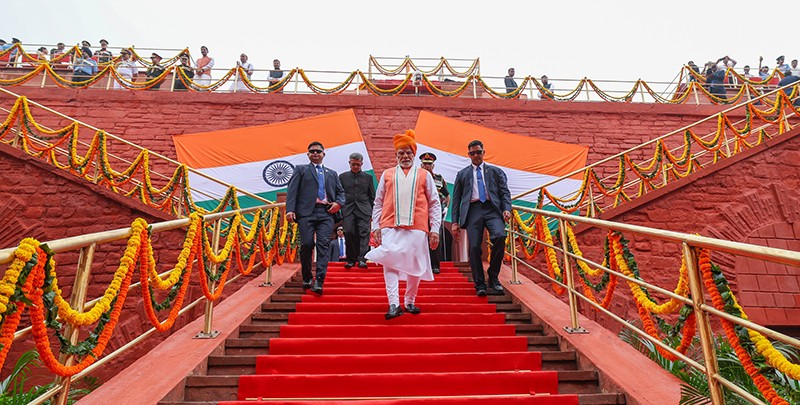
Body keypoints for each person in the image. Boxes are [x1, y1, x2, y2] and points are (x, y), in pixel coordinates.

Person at [366, 130, 441, 320]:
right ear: (396, 155)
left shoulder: (424, 175)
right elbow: (378, 202)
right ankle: (393, 303)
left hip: (417, 226)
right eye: (401, 153)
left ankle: (409, 301)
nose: (405, 156)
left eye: (408, 152)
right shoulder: (387, 174)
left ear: (413, 154)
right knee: (389, 260)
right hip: (390, 225)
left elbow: (434, 203)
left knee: (414, 265)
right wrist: (375, 226)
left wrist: (435, 229)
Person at [451, 140, 512, 297]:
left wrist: (506, 209)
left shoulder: (495, 172)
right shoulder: (462, 174)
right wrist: (455, 222)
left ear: (483, 152)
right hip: (473, 211)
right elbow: (456, 199)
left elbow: (505, 192)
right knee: (474, 247)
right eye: (472, 153)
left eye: (478, 152)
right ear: (469, 155)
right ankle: (479, 284)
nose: (476, 155)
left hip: (493, 209)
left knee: (500, 236)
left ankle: (493, 276)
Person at [285, 142, 345, 295]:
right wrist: (290, 210)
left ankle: (319, 279)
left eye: (318, 151)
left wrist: (338, 203)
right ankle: (306, 276)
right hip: (306, 213)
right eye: (312, 151)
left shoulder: (331, 173)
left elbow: (341, 192)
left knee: (323, 244)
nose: (315, 154)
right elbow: (292, 190)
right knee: (307, 244)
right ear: (308, 154)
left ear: (323, 154)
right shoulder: (301, 170)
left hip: (326, 213)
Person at [338, 152, 376, 269]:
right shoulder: (342, 177)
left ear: (361, 164)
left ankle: (362, 259)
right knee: (349, 232)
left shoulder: (368, 177)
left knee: (364, 233)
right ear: (349, 163)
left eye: (358, 165)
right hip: (348, 209)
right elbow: (339, 193)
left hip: (364, 210)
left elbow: (372, 196)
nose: (355, 167)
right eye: (353, 164)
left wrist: (372, 211)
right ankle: (351, 259)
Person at [419, 152, 449, 274]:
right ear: (421, 165)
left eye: (429, 164)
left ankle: (435, 265)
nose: (427, 166)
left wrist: (446, 207)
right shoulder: (417, 177)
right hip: (420, 212)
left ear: (433, 166)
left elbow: (447, 195)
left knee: (435, 237)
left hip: (435, 213)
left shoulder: (439, 179)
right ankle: (421, 264)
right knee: (420, 238)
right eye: (425, 164)